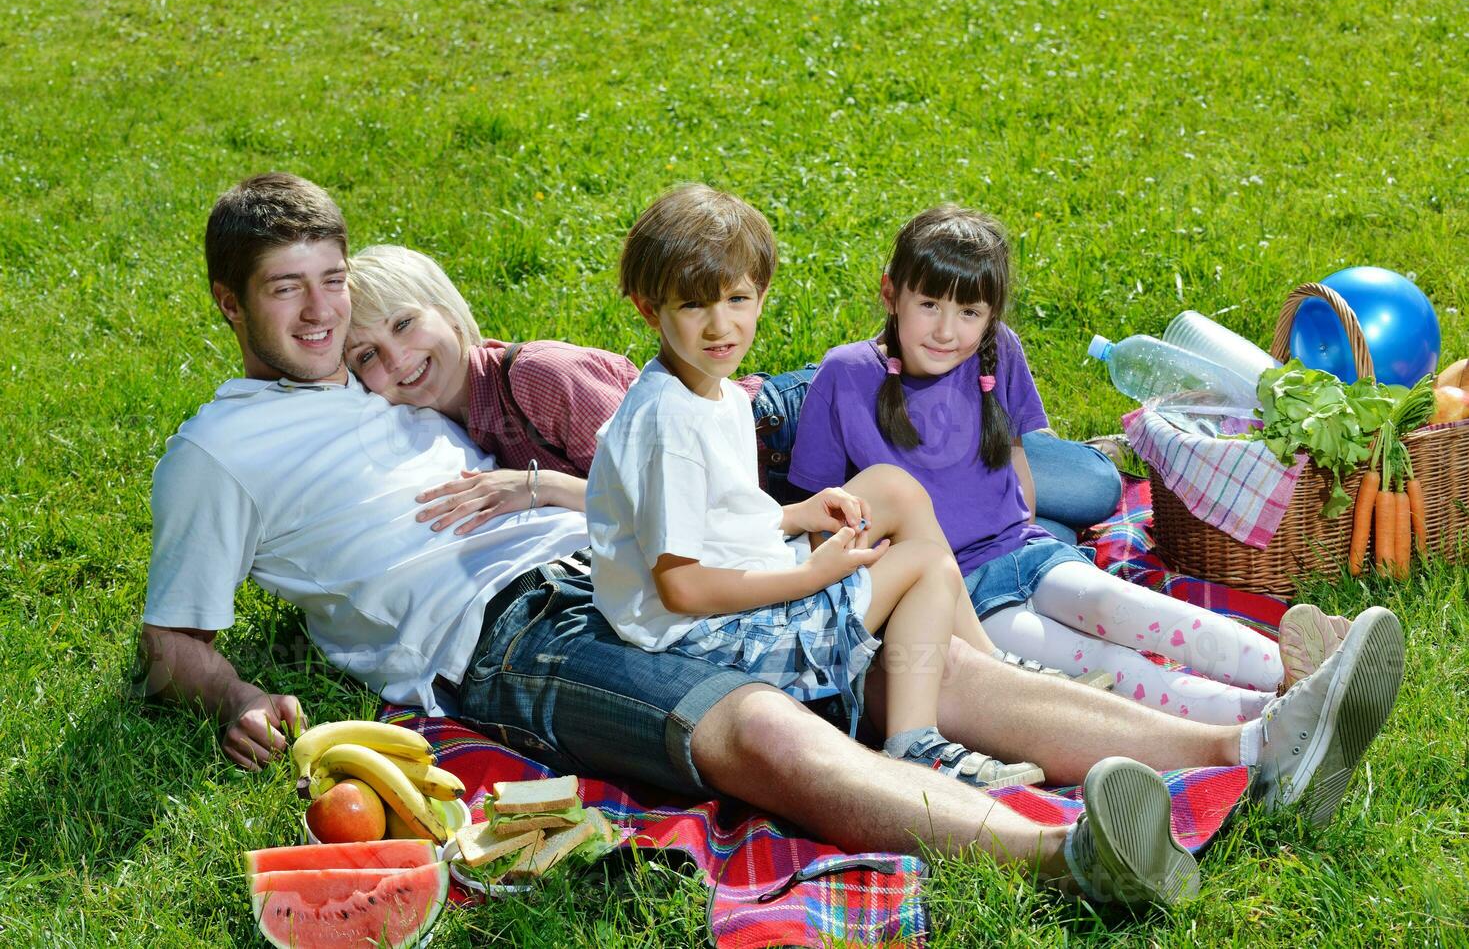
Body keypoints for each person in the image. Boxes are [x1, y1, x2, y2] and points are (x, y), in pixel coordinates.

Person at [138, 173, 1406, 910]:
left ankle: (1246, 746)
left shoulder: (375, 376)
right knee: (746, 722)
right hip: (502, 633)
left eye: (330, 279)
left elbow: (541, 409)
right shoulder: (216, 450)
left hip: (591, 561)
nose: (321, 313)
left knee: (897, 650)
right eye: (286, 289)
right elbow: (170, 642)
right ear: (228, 305)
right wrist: (240, 691)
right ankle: (1064, 851)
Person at [787, 205, 1364, 725]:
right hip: (961, 597)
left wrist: (1024, 525)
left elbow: (1015, 451)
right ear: (891, 293)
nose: (945, 330)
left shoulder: (998, 349)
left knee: (1118, 604)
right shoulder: (845, 376)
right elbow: (820, 512)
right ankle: (1266, 715)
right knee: (1104, 666)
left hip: (1025, 550)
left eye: (968, 312)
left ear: (989, 315)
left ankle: (1302, 666)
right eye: (929, 305)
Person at [586, 183, 1043, 787]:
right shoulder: (669, 427)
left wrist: (796, 516)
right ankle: (915, 747)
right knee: (926, 565)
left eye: (737, 299)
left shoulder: (709, 386)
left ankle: (986, 660)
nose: (721, 326)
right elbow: (682, 588)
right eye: (694, 307)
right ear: (650, 310)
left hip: (739, 581)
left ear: (761, 295)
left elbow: (717, 516)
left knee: (891, 485)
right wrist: (811, 577)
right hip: (709, 639)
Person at [343, 244, 1120, 542]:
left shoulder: (536, 379)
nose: (399, 360)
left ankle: (1081, 455)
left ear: (447, 308)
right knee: (978, 524)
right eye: (368, 356)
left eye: (407, 324)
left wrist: (540, 487)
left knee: (1086, 491)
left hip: (780, 432)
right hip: (766, 482)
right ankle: (998, 503)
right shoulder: (450, 420)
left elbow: (655, 485)